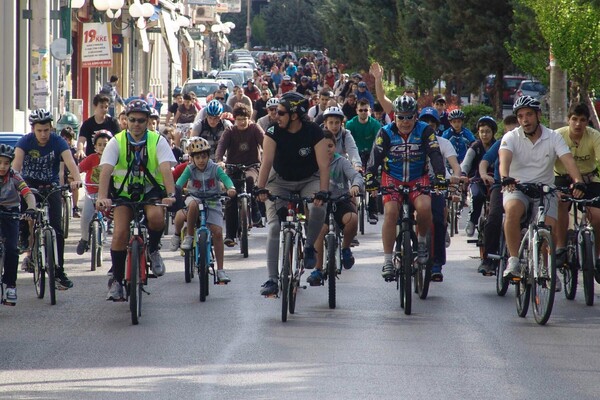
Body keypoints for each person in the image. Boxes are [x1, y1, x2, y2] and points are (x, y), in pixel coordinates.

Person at [95, 100, 177, 301]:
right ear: (126, 121)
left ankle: (154, 249)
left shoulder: (157, 140)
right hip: (123, 193)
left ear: (148, 121)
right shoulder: (116, 141)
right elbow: (105, 171)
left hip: (150, 192)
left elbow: (166, 168)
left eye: (141, 120)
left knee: (157, 218)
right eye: (132, 120)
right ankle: (116, 280)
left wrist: (171, 195)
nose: (136, 124)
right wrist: (102, 197)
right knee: (120, 233)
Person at [500, 95, 584, 282]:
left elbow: (568, 160)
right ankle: (513, 260)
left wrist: (577, 180)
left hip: (545, 189)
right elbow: (504, 159)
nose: (524, 120)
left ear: (538, 115)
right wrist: (505, 177)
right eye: (520, 116)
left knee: (549, 228)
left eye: (529, 115)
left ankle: (544, 268)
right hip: (517, 186)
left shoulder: (553, 137)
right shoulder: (511, 137)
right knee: (512, 211)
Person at [256, 91, 330, 295]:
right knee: (273, 228)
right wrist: (260, 187)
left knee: (317, 208)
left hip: (309, 179)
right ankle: (272, 279)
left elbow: (324, 165)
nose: (275, 116)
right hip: (279, 181)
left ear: (294, 115)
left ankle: (308, 247)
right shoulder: (272, 131)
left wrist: (323, 192)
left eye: (280, 112)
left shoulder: (314, 130)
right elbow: (267, 162)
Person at [365, 96, 446, 280]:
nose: (405, 121)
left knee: (425, 208)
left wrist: (440, 176)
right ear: (394, 117)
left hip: (418, 177)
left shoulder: (425, 131)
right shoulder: (385, 132)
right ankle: (387, 260)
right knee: (391, 212)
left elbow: (434, 154)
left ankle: (423, 244)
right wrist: (370, 177)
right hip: (392, 178)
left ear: (416, 116)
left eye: (409, 117)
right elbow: (375, 157)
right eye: (401, 117)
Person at [13, 108, 82, 289]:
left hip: (51, 186)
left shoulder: (58, 141)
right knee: (24, 206)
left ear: (51, 128)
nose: (43, 134)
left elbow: (70, 163)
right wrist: (13, 182)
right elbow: (16, 166)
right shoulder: (25, 141)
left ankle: (59, 271)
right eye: (39, 130)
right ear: (33, 129)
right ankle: (24, 235)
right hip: (29, 185)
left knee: (57, 229)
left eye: (46, 130)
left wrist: (77, 179)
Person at [176, 138, 236, 283]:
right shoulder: (190, 169)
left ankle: (220, 270)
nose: (201, 160)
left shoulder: (215, 168)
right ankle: (189, 236)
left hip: (213, 200)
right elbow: (179, 183)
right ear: (192, 158)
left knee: (217, 232)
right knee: (194, 204)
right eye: (197, 157)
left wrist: (231, 188)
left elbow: (226, 179)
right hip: (194, 197)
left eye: (204, 156)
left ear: (209, 156)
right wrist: (175, 192)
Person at [553, 102, 600, 282]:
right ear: (568, 120)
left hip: (589, 180)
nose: (578, 124)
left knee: (597, 216)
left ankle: (597, 256)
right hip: (562, 178)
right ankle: (561, 247)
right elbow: (548, 163)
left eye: (582, 120)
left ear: (588, 121)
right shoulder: (557, 136)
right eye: (574, 119)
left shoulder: (594, 136)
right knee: (560, 203)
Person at [309, 130, 364, 285]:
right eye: (323, 146)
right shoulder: (313, 162)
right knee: (319, 231)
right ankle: (318, 270)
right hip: (322, 204)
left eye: (331, 146)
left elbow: (355, 176)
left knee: (352, 219)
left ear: (335, 146)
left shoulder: (342, 161)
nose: (327, 149)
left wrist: (354, 185)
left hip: (341, 200)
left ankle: (346, 248)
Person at [418, 107, 462, 281]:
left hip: (437, 186)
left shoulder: (443, 143)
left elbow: (455, 165)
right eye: (425, 122)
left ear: (437, 126)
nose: (428, 125)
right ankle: (405, 249)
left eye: (432, 122)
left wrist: (456, 177)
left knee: (438, 219)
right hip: (416, 186)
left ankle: (437, 264)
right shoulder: (414, 142)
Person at [215, 104, 264, 247]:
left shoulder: (255, 129)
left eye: (245, 119)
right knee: (231, 196)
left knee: (250, 180)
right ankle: (230, 235)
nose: (242, 122)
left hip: (252, 166)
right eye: (239, 119)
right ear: (234, 119)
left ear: (249, 119)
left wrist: (268, 156)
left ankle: (254, 209)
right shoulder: (229, 131)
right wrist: (219, 161)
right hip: (233, 168)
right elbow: (221, 147)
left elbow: (266, 144)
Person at [477, 115, 518, 275]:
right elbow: (485, 161)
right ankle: (488, 258)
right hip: (500, 186)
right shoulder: (501, 142)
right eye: (508, 131)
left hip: (523, 187)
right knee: (493, 217)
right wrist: (483, 174)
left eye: (514, 130)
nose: (512, 135)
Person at [0, 144, 36, 305]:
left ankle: (11, 286)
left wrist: (31, 208)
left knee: (13, 250)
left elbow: (27, 193)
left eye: (6, 163)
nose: (2, 166)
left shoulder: (15, 177)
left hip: (10, 213)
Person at [76, 130, 112, 255]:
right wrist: (74, 178)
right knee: (86, 217)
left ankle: (108, 231)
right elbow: (78, 169)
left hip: (108, 195)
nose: (103, 147)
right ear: (95, 146)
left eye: (106, 144)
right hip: (91, 194)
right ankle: (85, 239)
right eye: (100, 144)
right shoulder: (91, 158)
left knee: (113, 217)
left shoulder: (114, 160)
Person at [460, 116, 497, 237]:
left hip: (495, 182)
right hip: (477, 180)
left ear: (493, 132)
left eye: (487, 131)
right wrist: (463, 174)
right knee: (477, 196)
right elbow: (466, 163)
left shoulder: (498, 146)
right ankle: (472, 221)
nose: (484, 135)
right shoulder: (475, 147)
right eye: (482, 132)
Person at [345, 99, 382, 223]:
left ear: (370, 111)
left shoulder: (375, 124)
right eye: (361, 110)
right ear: (356, 111)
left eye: (366, 110)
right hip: (356, 154)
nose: (363, 112)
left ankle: (373, 211)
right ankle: (352, 209)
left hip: (371, 154)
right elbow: (348, 143)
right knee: (353, 178)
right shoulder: (350, 124)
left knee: (373, 179)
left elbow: (379, 144)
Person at [76, 94, 120, 159]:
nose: (104, 109)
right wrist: (80, 150)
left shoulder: (113, 122)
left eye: (106, 107)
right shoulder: (87, 124)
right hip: (92, 159)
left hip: (110, 158)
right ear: (95, 106)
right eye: (101, 107)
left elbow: (118, 139)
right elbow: (81, 140)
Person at [322, 106, 362, 171]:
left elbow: (352, 150)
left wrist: (357, 165)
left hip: (340, 169)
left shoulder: (345, 134)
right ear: (325, 123)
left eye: (337, 122)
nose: (334, 126)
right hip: (323, 168)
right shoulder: (319, 135)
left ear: (341, 123)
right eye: (331, 122)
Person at [60, 126, 80, 218]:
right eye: (64, 139)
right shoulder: (59, 150)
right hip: (60, 174)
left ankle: (75, 207)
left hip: (70, 174)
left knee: (74, 184)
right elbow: (61, 171)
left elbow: (76, 168)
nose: (67, 141)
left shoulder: (74, 151)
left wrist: (76, 180)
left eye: (69, 139)